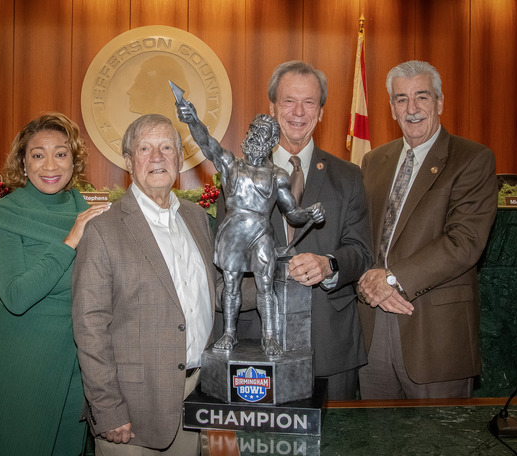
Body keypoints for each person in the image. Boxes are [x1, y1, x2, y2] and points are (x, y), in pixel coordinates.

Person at [221, 60, 372, 400]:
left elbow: (361, 251)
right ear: (271, 107)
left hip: (330, 344)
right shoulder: (239, 175)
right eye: (289, 101)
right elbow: (226, 254)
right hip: (255, 344)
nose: (298, 112)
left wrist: (329, 264)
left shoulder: (348, 176)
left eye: (309, 102)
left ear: (321, 110)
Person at [0, 112, 110, 455]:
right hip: (16, 344)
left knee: (66, 447)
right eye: (37, 154)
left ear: (74, 161)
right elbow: (17, 296)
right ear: (23, 163)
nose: (50, 165)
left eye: (60, 153)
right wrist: (70, 241)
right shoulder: (3, 214)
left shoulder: (82, 209)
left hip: (72, 348)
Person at [72, 114, 216, 456]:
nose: (157, 157)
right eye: (145, 148)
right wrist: (107, 407)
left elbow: (212, 293)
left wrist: (282, 278)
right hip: (131, 412)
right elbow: (89, 326)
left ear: (181, 160)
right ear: (128, 161)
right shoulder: (104, 230)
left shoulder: (197, 219)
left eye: (167, 147)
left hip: (197, 397)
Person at [357, 60, 497, 399]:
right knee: (375, 443)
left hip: (435, 333)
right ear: (392, 108)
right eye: (402, 99)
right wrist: (365, 282)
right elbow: (359, 234)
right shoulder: (374, 160)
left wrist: (391, 279)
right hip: (373, 327)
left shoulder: (472, 158)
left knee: (438, 442)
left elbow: (464, 242)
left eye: (422, 96)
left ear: (440, 102)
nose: (413, 108)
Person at [177, 102, 324, 357]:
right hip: (233, 233)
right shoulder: (230, 165)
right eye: (253, 130)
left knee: (266, 286)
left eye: (262, 133)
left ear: (272, 141)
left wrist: (310, 212)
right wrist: (192, 120)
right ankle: (230, 333)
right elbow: (207, 143)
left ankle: (268, 337)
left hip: (260, 236)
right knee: (231, 285)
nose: (255, 136)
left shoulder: (278, 176)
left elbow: (293, 213)